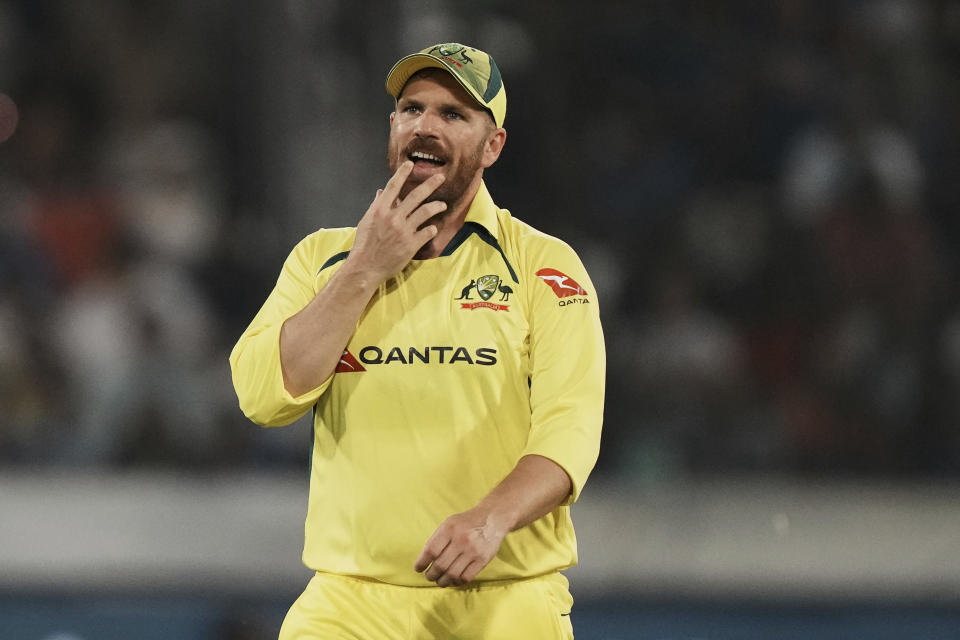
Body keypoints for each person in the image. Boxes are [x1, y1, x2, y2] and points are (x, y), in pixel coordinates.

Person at [230, 42, 605, 639]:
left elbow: (572, 430)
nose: (425, 126)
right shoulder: (321, 260)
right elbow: (262, 396)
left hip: (505, 602)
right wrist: (363, 270)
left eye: (452, 114)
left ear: (493, 145)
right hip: (349, 603)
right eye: (411, 109)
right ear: (392, 127)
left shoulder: (542, 266)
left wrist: (489, 519)